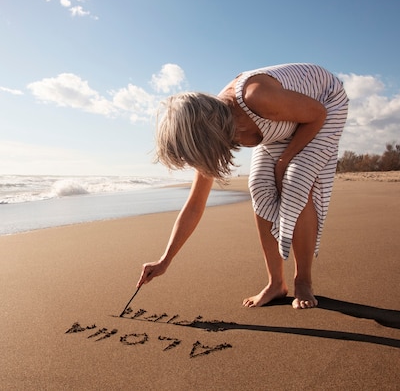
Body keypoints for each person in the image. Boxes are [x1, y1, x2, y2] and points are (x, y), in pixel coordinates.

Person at [136, 63, 348, 309]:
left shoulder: (256, 97)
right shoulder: (213, 128)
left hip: (323, 105)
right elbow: (195, 205)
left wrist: (285, 160)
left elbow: (317, 114)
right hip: (282, 121)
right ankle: (276, 284)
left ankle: (303, 281)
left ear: (205, 138)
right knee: (259, 185)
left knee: (296, 181)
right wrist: (165, 260)